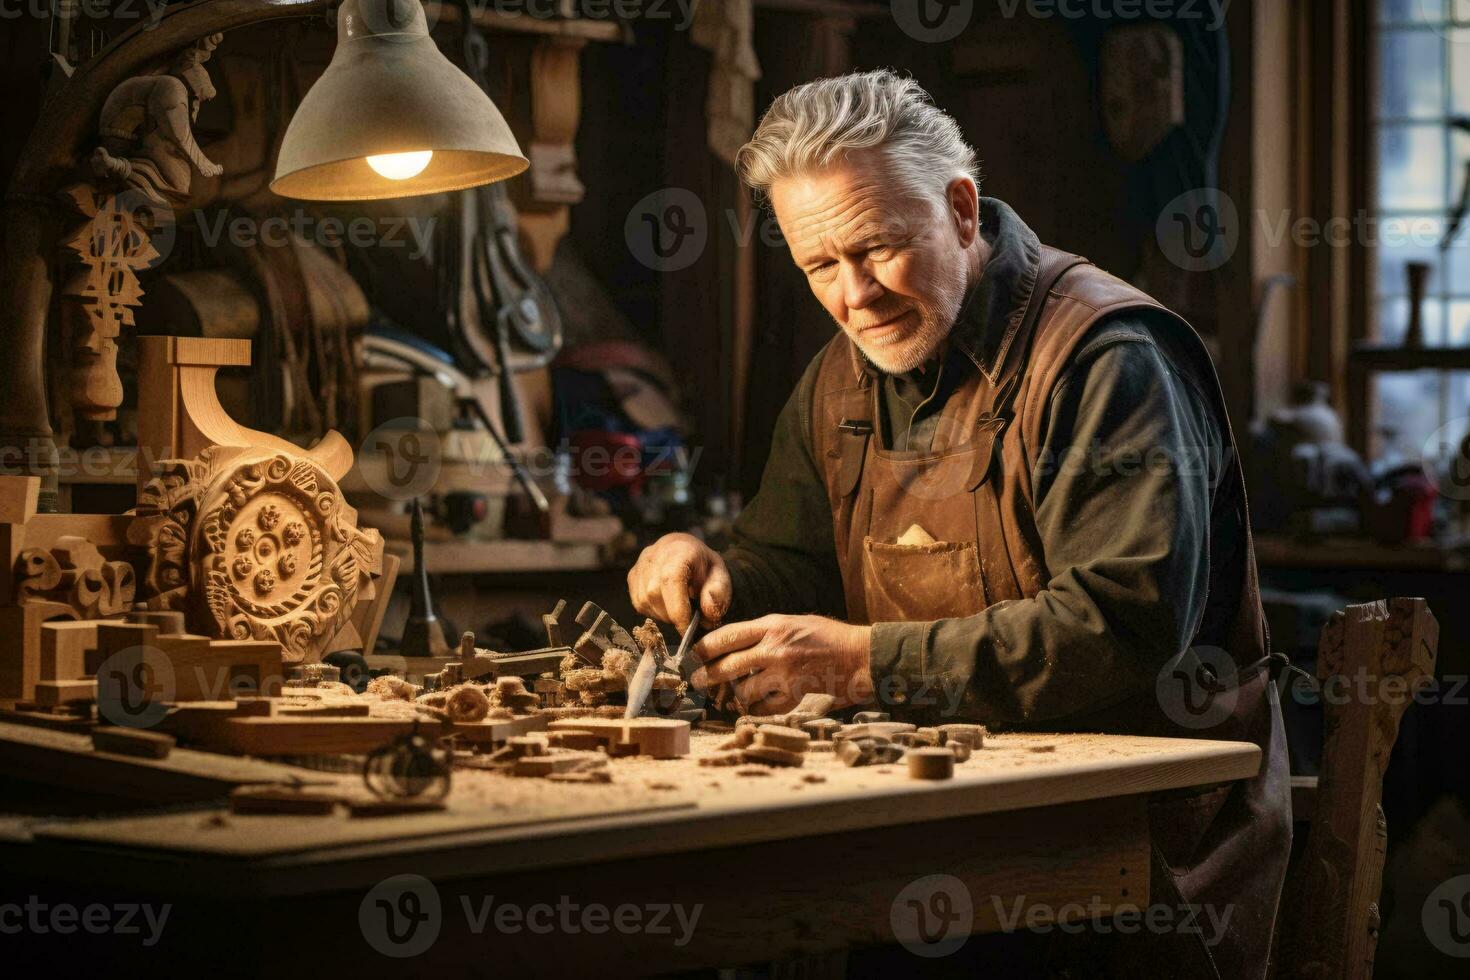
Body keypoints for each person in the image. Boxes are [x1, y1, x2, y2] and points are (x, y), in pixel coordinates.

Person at [628, 69, 1290, 977]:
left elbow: (1121, 625)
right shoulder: (835, 381)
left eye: (877, 249)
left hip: (1134, 864)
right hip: (942, 831)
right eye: (820, 266)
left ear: (963, 210)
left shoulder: (1106, 360)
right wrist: (715, 576)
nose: (854, 295)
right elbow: (794, 562)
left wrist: (860, 665)